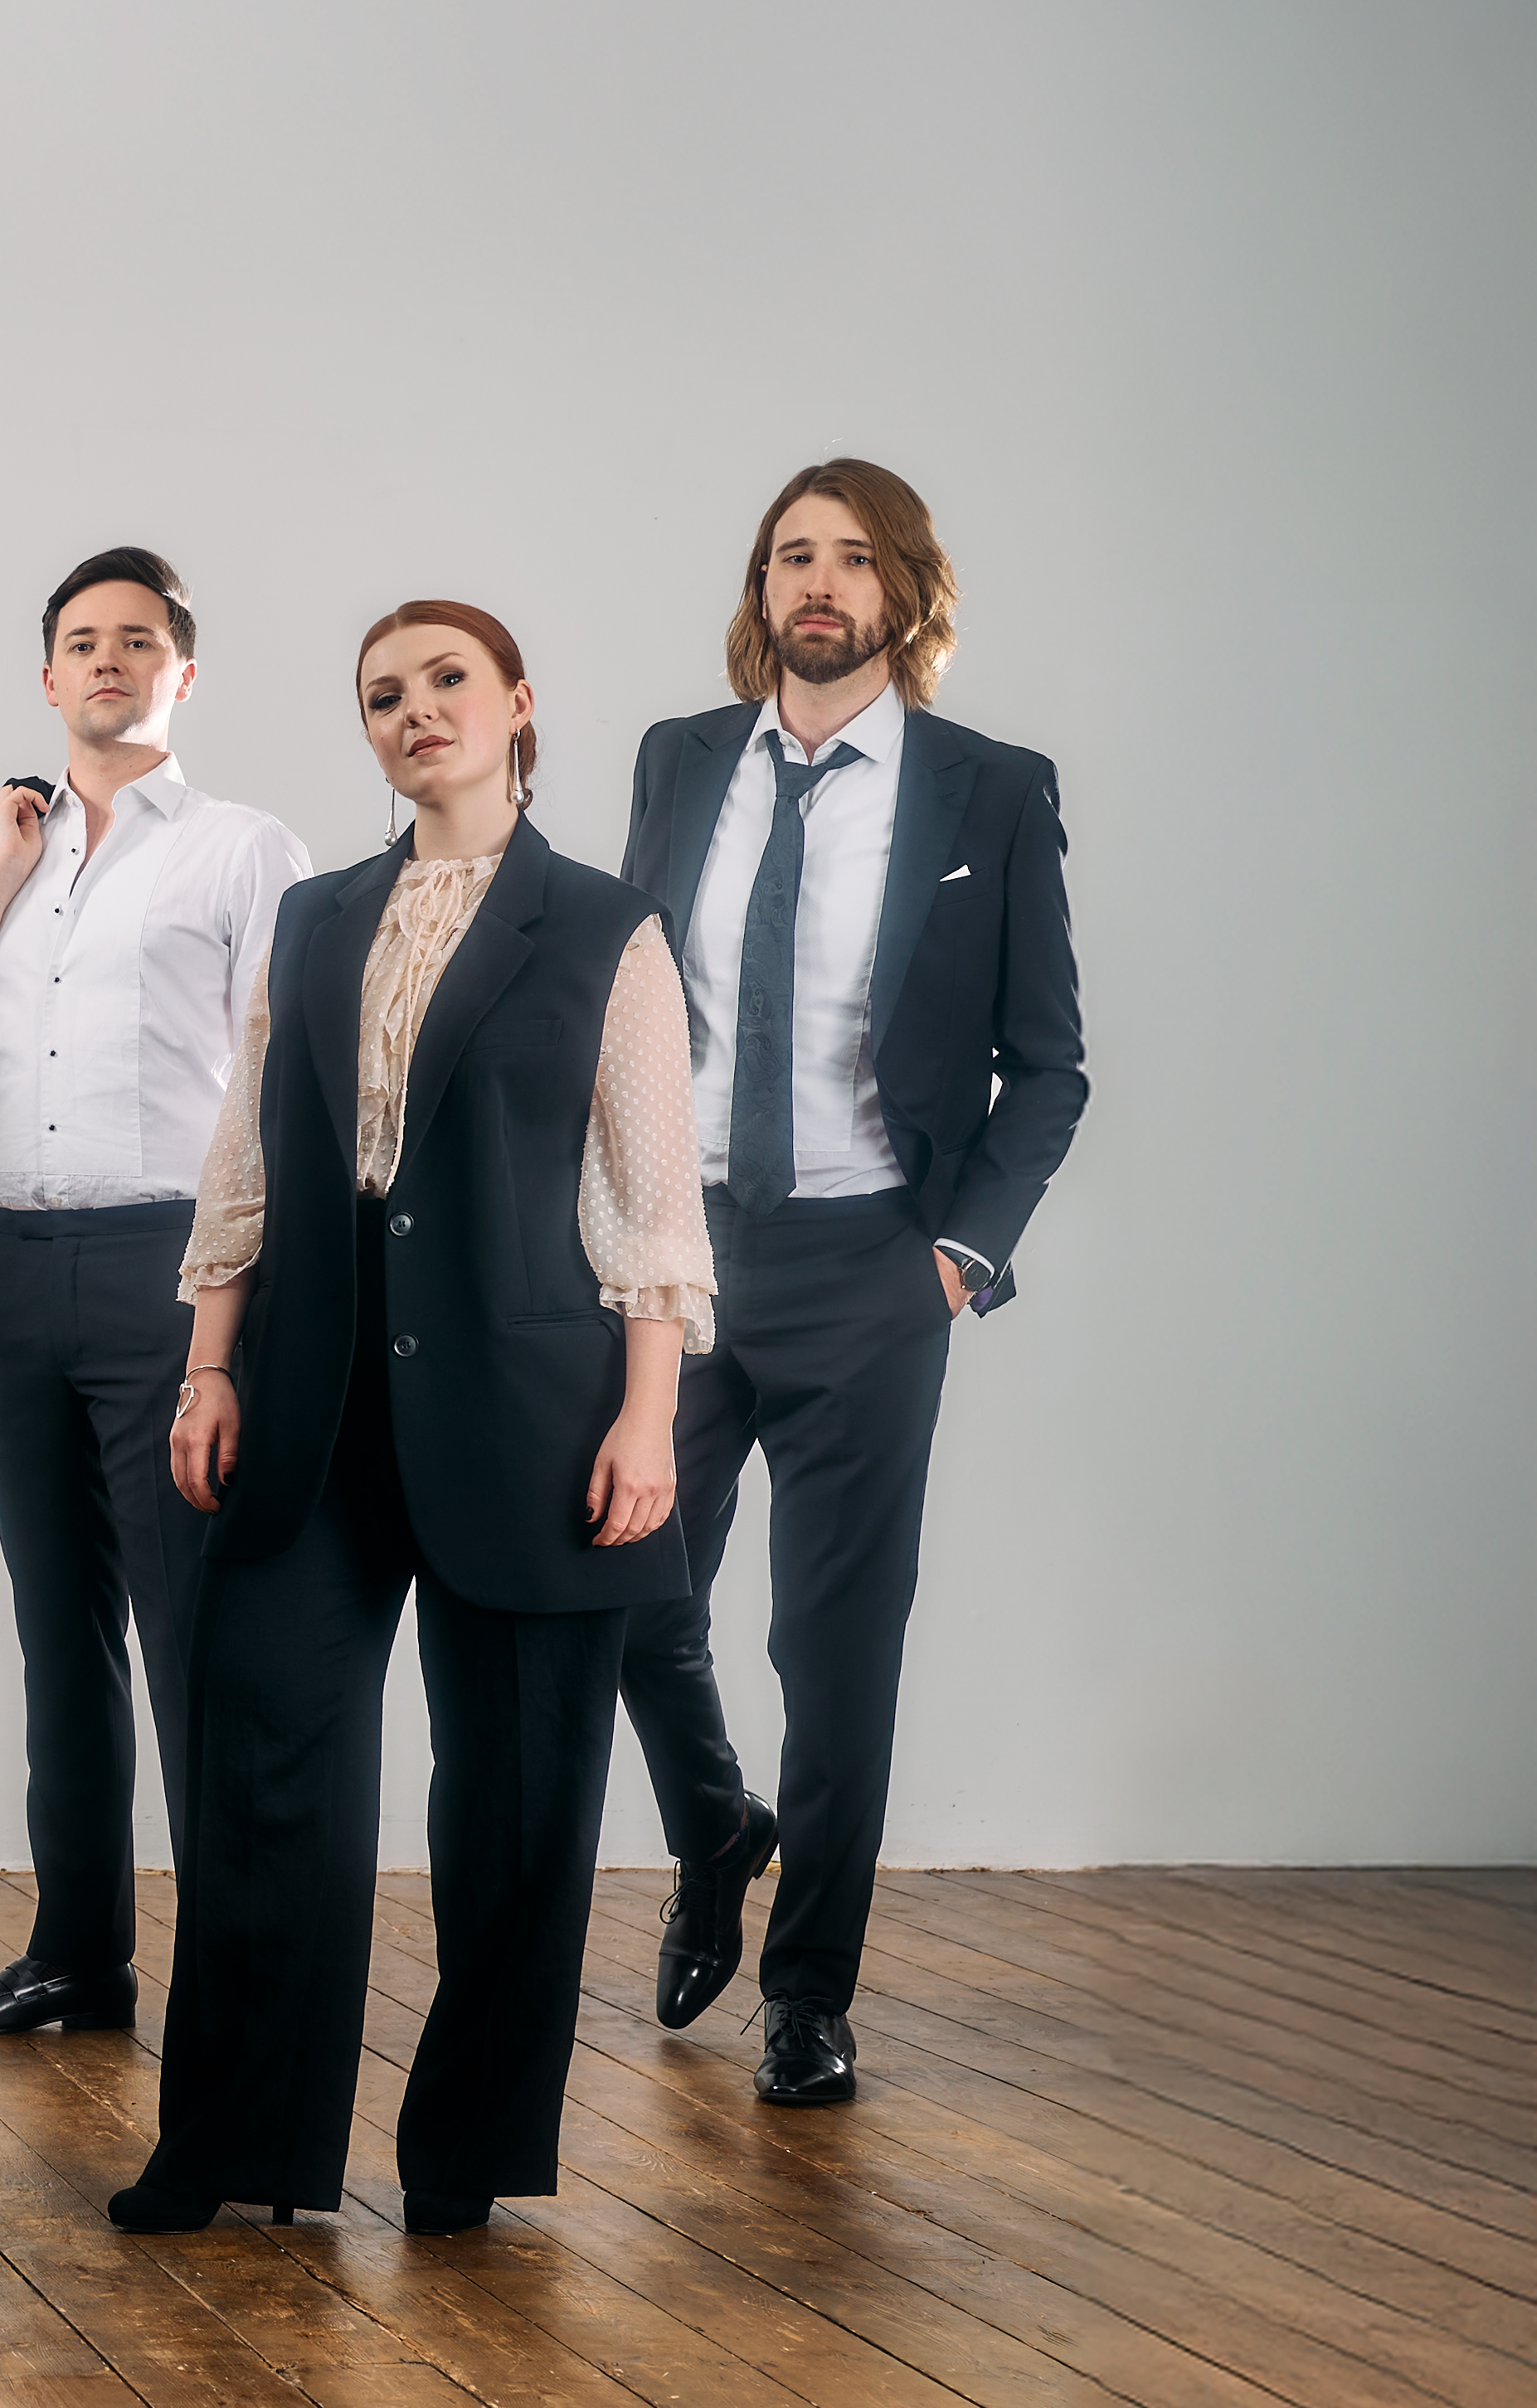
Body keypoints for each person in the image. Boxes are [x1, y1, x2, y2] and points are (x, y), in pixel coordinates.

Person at [128, 600, 710, 2241]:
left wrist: (650, 1419)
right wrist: (208, 1363)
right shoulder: (315, 919)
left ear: (519, 703)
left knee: (518, 1804)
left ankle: (465, 2153)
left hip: (538, 1417)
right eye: (383, 693)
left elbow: (655, 1199)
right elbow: (244, 1158)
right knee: (265, 1777)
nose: (413, 710)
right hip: (310, 1407)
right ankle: (236, 2141)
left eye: (447, 679)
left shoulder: (607, 929)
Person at [613, 461, 1086, 2105]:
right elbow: (635, 1019)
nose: (820, 583)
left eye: (854, 558)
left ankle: (809, 1992)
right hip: (687, 1257)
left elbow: (1051, 1067)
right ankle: (712, 1823)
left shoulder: (990, 791)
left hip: (874, 1265)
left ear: (903, 593)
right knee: (619, 1574)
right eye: (792, 555)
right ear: (762, 590)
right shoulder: (680, 763)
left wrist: (961, 1255)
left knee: (840, 1644)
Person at [0, 546, 308, 2039]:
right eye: (82, 642)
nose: (109, 662)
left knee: (194, 1639)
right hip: (11, 1273)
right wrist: (5, 865)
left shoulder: (249, 851)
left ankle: (236, 1977)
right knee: (57, 1630)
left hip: (168, 1271)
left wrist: (228, 1324)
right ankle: (79, 1955)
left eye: (139, 642)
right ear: (48, 677)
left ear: (181, 674)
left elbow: (275, 1084)